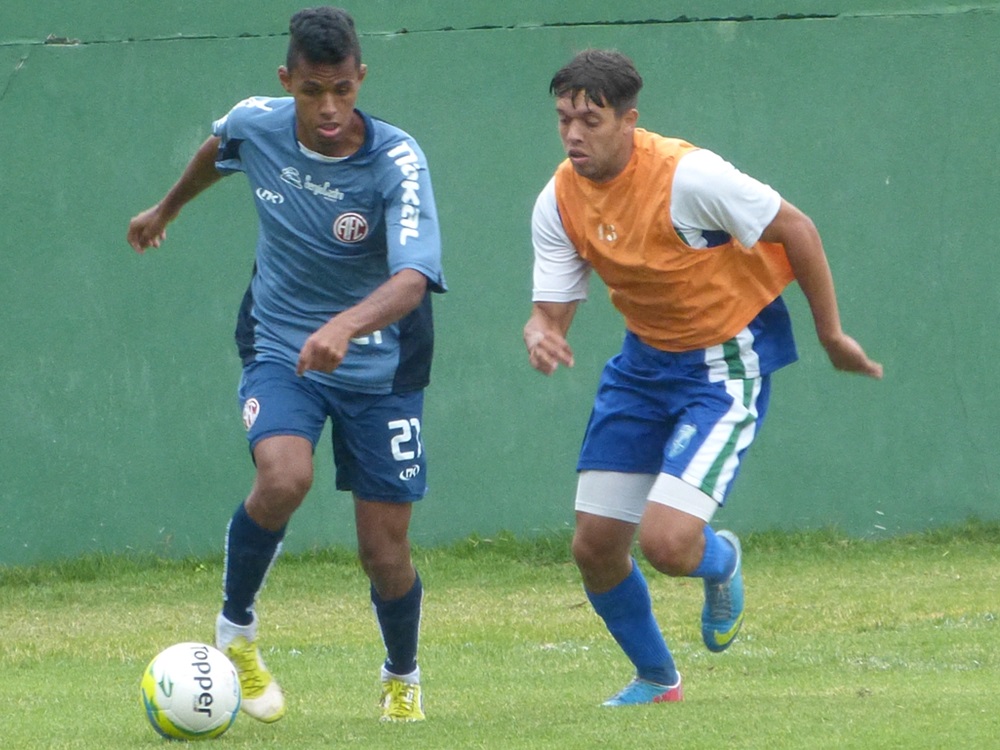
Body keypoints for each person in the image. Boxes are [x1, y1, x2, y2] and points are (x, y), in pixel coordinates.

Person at [523, 49, 882, 706]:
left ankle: (721, 562)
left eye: (591, 120)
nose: (574, 134)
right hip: (640, 368)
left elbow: (796, 227)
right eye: (564, 119)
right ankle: (657, 680)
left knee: (666, 543)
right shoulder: (559, 199)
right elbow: (552, 310)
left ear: (629, 121)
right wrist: (542, 330)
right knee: (595, 546)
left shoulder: (689, 177)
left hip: (724, 363)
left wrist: (831, 334)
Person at [127, 7, 445, 723]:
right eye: (310, 91)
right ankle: (235, 631)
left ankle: (402, 676)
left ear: (361, 77)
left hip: (382, 368)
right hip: (280, 344)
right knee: (284, 474)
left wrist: (346, 325)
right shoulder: (256, 123)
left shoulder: (397, 160)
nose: (328, 108)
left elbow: (412, 281)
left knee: (382, 549)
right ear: (286, 81)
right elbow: (218, 147)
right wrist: (165, 208)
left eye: (341, 89)